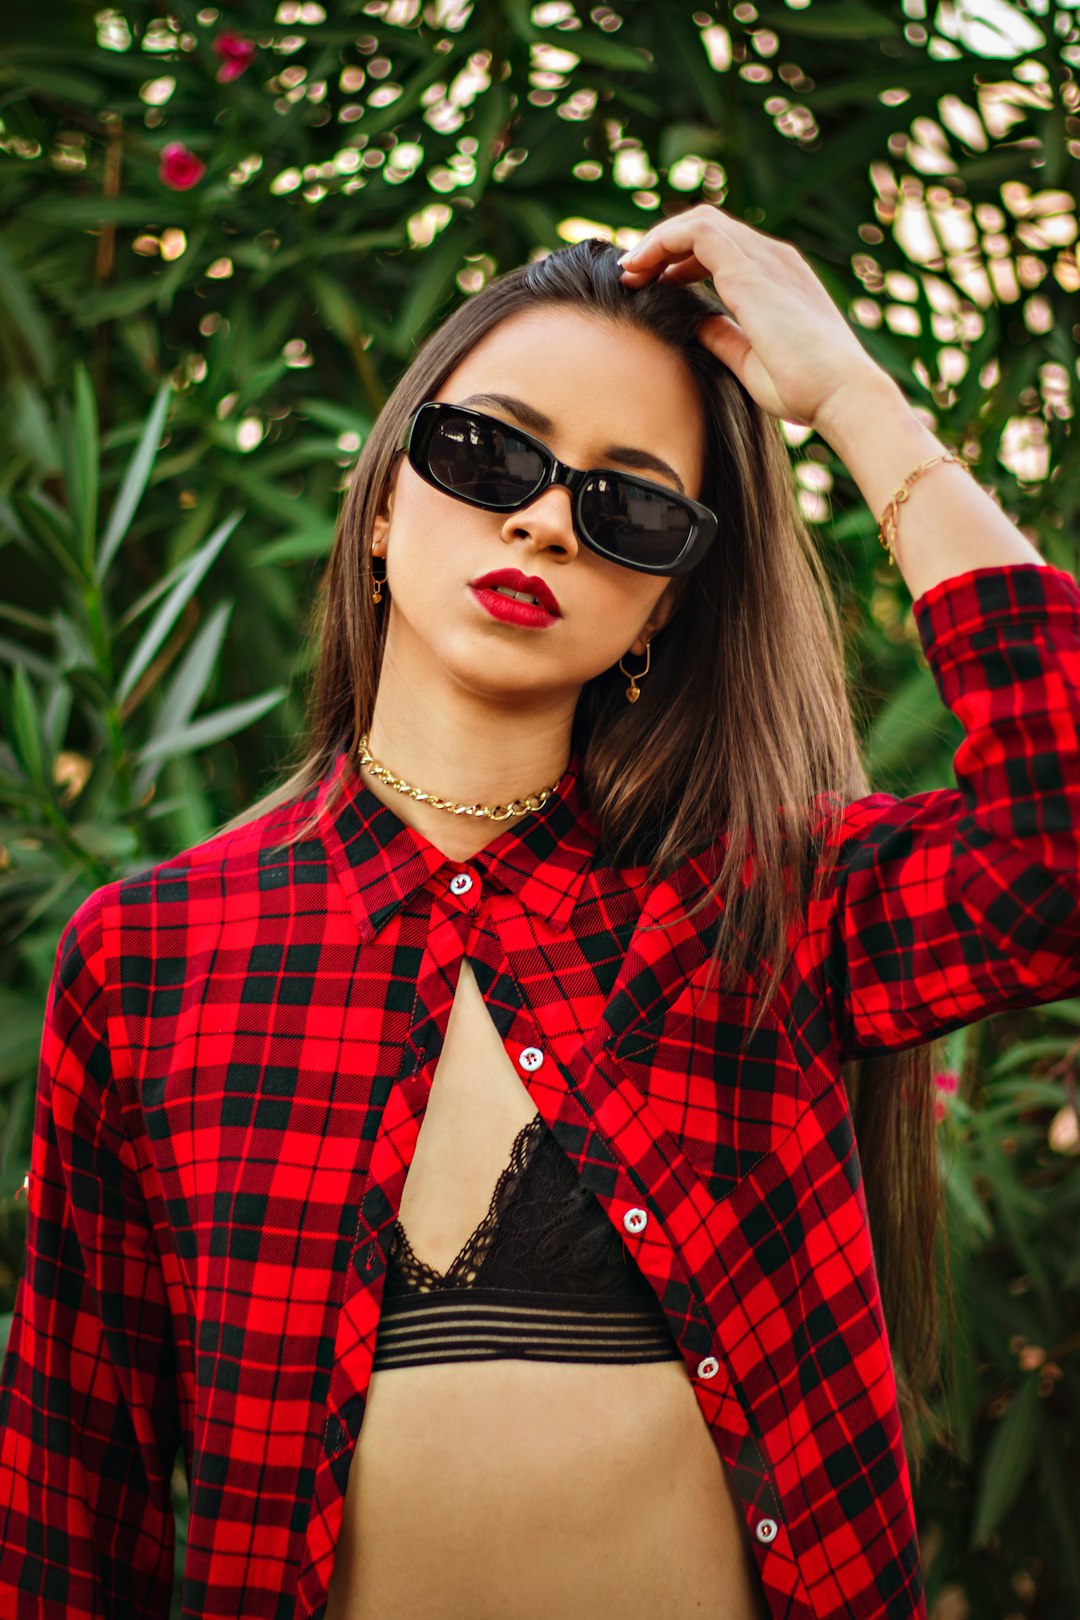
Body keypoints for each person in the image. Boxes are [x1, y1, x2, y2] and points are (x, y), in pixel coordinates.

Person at [1, 204, 1078, 1620]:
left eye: (627, 505)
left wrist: (856, 400)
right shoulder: (153, 960)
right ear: (382, 502)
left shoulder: (775, 905)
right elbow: (79, 1507)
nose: (540, 518)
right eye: (487, 452)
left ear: (664, 610)